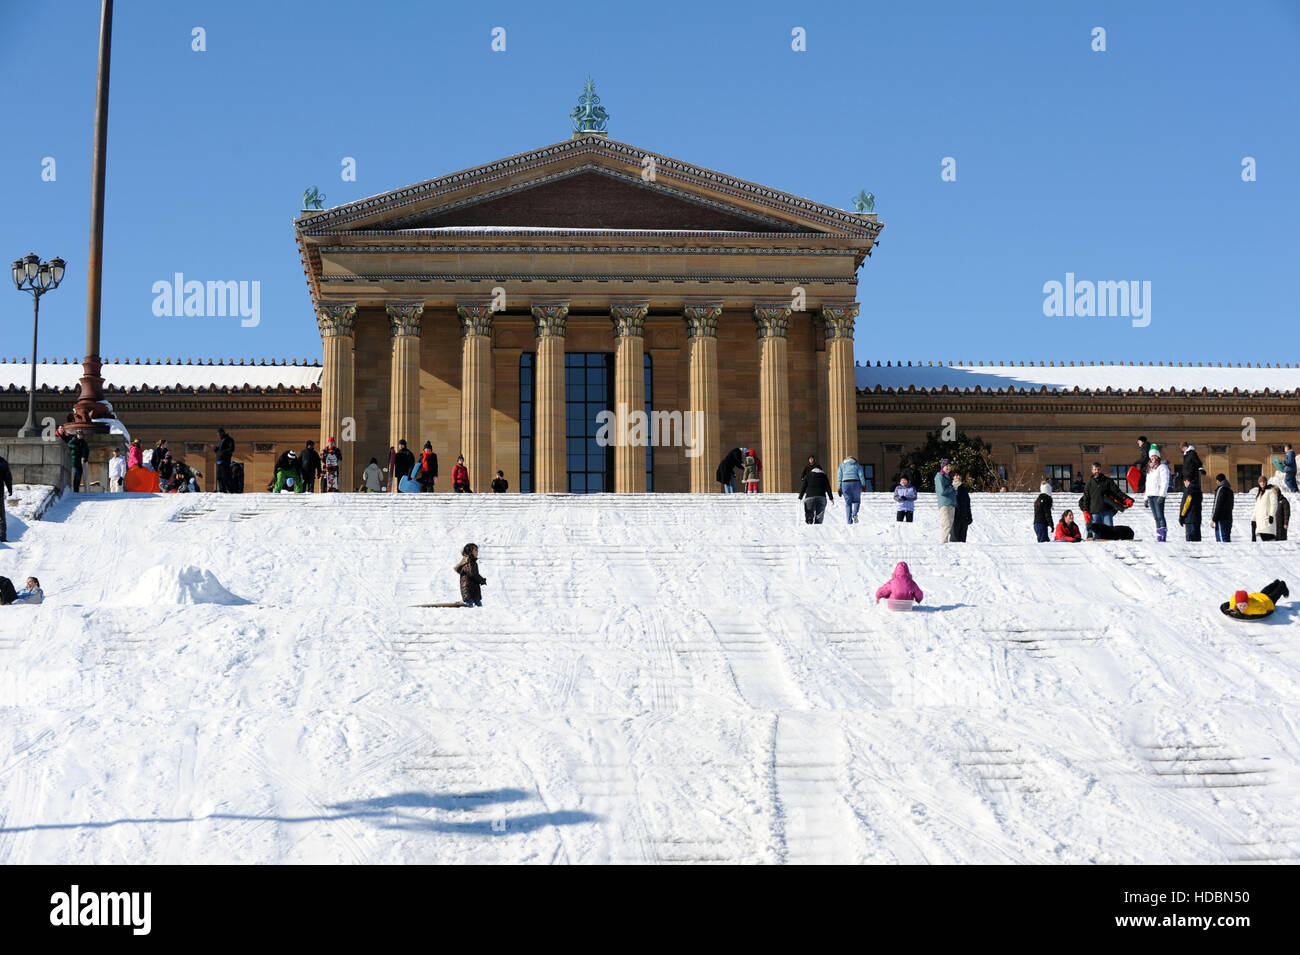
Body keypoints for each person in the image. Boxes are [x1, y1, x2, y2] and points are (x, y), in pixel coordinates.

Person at [1079, 461, 1129, 540]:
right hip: (1094, 512)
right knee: (1096, 536)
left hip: (1107, 512)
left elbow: (1117, 492)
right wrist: (1085, 510)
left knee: (1109, 534)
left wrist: (1125, 499)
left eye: (1098, 469)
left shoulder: (1108, 481)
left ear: (1100, 470)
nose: (1096, 471)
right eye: (1095, 469)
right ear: (1092, 470)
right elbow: (1086, 499)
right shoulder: (1089, 484)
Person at [1221, 580, 1289, 620]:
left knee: (1276, 593)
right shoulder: (1235, 601)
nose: (1242, 607)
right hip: (1257, 596)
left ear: (1247, 603)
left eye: (1244, 605)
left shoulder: (1253, 609)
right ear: (1237, 604)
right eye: (1240, 605)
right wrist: (1231, 608)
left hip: (1268, 601)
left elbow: (1264, 611)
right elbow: (1233, 599)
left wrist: (1248, 615)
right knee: (1265, 590)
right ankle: (1276, 583)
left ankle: (1282, 585)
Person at [1145, 449, 1171, 542]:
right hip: (1151, 495)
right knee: (1156, 517)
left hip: (1158, 495)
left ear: (1158, 457)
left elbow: (1165, 482)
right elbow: (1147, 484)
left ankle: (1163, 536)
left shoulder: (1162, 467)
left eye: (1155, 456)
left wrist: (1162, 495)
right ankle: (1159, 536)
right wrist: (1146, 497)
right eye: (1152, 456)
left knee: (1160, 516)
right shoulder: (1150, 468)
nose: (1153, 458)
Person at [1252, 476, 1285, 542]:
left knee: (1270, 540)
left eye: (1264, 481)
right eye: (1260, 482)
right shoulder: (1259, 494)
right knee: (1264, 539)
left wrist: (1271, 515)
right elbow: (1256, 508)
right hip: (1260, 521)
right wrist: (1253, 519)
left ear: (1266, 482)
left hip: (1267, 520)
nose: (1262, 483)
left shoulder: (1271, 491)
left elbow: (1274, 504)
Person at [837, 455, 867, 524]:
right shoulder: (857, 465)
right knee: (857, 500)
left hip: (845, 484)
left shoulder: (841, 466)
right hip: (855, 483)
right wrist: (863, 485)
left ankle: (849, 521)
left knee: (848, 503)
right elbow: (861, 475)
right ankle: (854, 514)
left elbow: (839, 476)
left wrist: (839, 487)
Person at [455, 543, 486, 608]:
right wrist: (481, 580)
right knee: (471, 606)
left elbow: (474, 574)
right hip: (468, 589)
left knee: (479, 606)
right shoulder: (468, 561)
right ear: (470, 551)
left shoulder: (473, 562)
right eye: (475, 550)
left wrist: (481, 579)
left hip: (473, 589)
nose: (477, 552)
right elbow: (472, 574)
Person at [934, 458, 956, 543]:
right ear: (942, 466)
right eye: (946, 466)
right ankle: (943, 543)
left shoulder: (947, 477)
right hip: (945, 503)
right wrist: (953, 486)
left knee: (949, 525)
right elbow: (942, 491)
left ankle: (946, 543)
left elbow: (952, 490)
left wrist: (956, 486)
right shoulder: (939, 476)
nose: (948, 467)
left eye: (950, 466)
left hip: (951, 503)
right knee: (946, 524)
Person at [949, 471, 973, 542]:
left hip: (964, 517)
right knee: (954, 538)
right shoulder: (950, 487)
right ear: (953, 477)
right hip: (954, 517)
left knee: (962, 540)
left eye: (959, 475)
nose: (958, 477)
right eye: (956, 475)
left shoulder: (963, 488)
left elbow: (967, 504)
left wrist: (969, 516)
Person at [1178, 475, 1203, 541]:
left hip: (1189, 518)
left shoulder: (1189, 490)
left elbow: (1187, 503)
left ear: (1187, 481)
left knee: (1191, 539)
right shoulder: (1198, 489)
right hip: (1197, 517)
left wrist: (1182, 515)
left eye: (1184, 482)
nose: (1184, 484)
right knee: (1197, 539)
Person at [1211, 474, 1234, 542]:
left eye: (1216, 481)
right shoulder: (1230, 490)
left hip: (1221, 519)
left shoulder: (1221, 489)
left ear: (1218, 481)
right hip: (1228, 517)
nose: (1216, 482)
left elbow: (1217, 505)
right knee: (1227, 539)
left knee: (1222, 541)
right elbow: (1232, 505)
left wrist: (1213, 519)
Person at [215, 428, 235, 493]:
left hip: (225, 461)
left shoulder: (229, 439)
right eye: (217, 435)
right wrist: (215, 449)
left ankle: (230, 489)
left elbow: (231, 449)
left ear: (222, 433)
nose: (218, 436)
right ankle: (221, 489)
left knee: (226, 475)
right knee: (219, 476)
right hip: (219, 461)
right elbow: (219, 451)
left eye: (219, 434)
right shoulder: (221, 441)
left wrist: (222, 452)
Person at [0, 453, 12, 543]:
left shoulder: (2, 462)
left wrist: (9, 488)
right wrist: (9, 488)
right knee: (1, 516)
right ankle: (2, 537)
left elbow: (7, 477)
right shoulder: (2, 462)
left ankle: (2, 536)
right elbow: (7, 477)